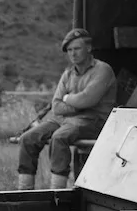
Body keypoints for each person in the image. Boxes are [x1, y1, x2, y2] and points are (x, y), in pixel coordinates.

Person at [17, 28, 116, 190]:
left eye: (77, 49)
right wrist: (78, 104)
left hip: (94, 121)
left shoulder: (102, 70)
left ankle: (58, 194)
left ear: (89, 49)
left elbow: (88, 100)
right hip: (65, 120)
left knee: (59, 137)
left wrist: (68, 99)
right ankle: (24, 193)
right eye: (69, 50)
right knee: (28, 138)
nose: (73, 54)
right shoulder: (68, 73)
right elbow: (56, 106)